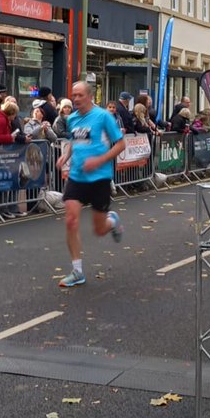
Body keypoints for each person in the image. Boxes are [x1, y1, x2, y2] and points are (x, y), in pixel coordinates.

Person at [55, 80, 125, 288]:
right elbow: (73, 142)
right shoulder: (72, 118)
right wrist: (65, 157)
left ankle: (112, 221)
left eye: (79, 95)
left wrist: (99, 160)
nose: (75, 99)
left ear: (89, 96)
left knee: (99, 229)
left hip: (100, 177)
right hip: (77, 176)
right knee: (70, 220)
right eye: (73, 95)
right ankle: (77, 272)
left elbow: (121, 144)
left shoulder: (103, 116)